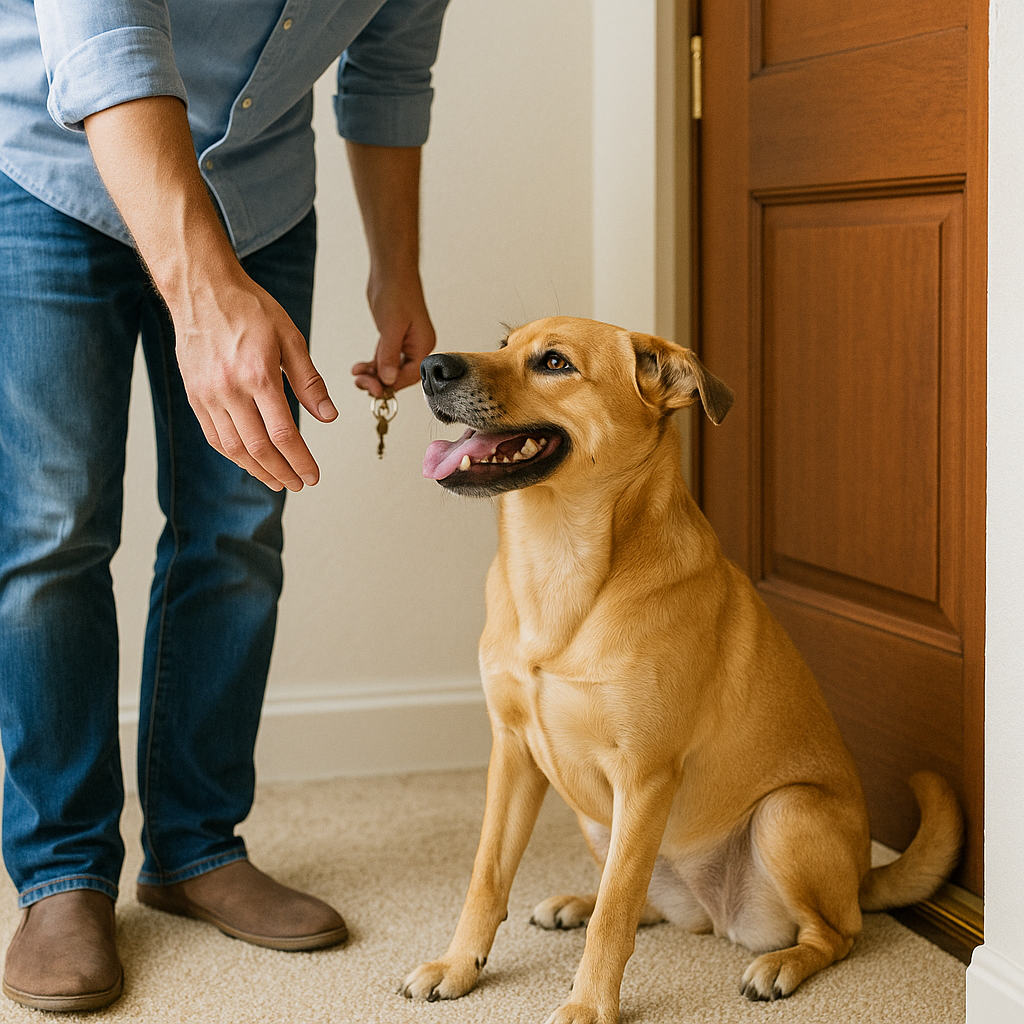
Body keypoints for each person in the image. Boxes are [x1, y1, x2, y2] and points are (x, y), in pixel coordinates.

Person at [0, 0, 449, 1011]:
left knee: (239, 524)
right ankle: (61, 873)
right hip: (46, 165)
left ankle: (196, 845)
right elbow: (103, 36)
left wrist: (396, 272)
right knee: (51, 528)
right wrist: (202, 294)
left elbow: (388, 70)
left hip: (259, 195)